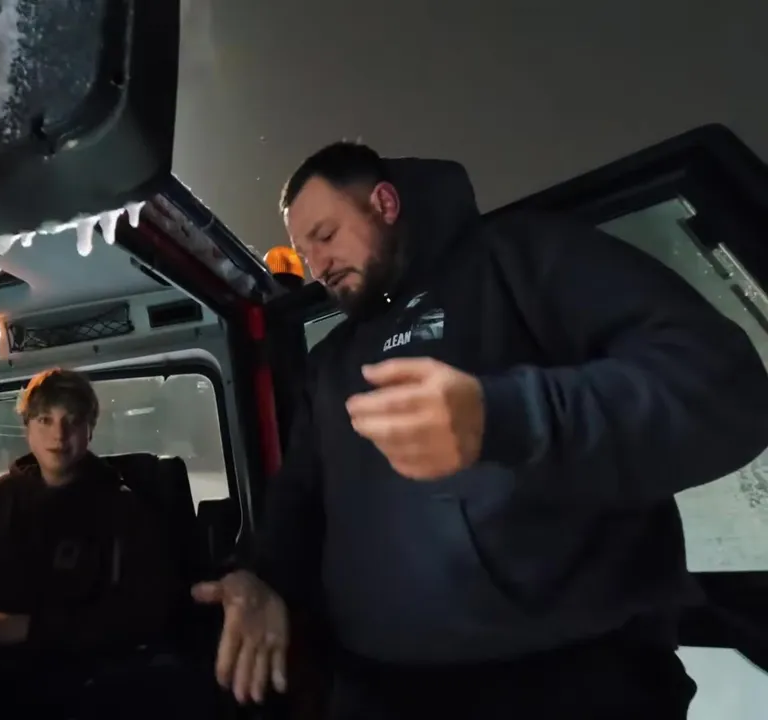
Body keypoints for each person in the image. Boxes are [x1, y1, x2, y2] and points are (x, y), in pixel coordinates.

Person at [192, 141, 768, 718]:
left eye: (325, 235)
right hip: (374, 691)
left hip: (569, 685)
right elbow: (300, 498)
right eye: (303, 252)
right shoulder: (330, 362)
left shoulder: (519, 256)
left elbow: (718, 383)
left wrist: (506, 417)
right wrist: (262, 578)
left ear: (384, 204)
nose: (317, 265)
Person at [0, 368, 193, 717]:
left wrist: (23, 628)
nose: (59, 434)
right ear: (27, 429)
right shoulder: (5, 493)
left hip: (80, 679)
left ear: (90, 429)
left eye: (73, 421)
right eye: (45, 420)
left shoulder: (120, 506)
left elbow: (141, 613)